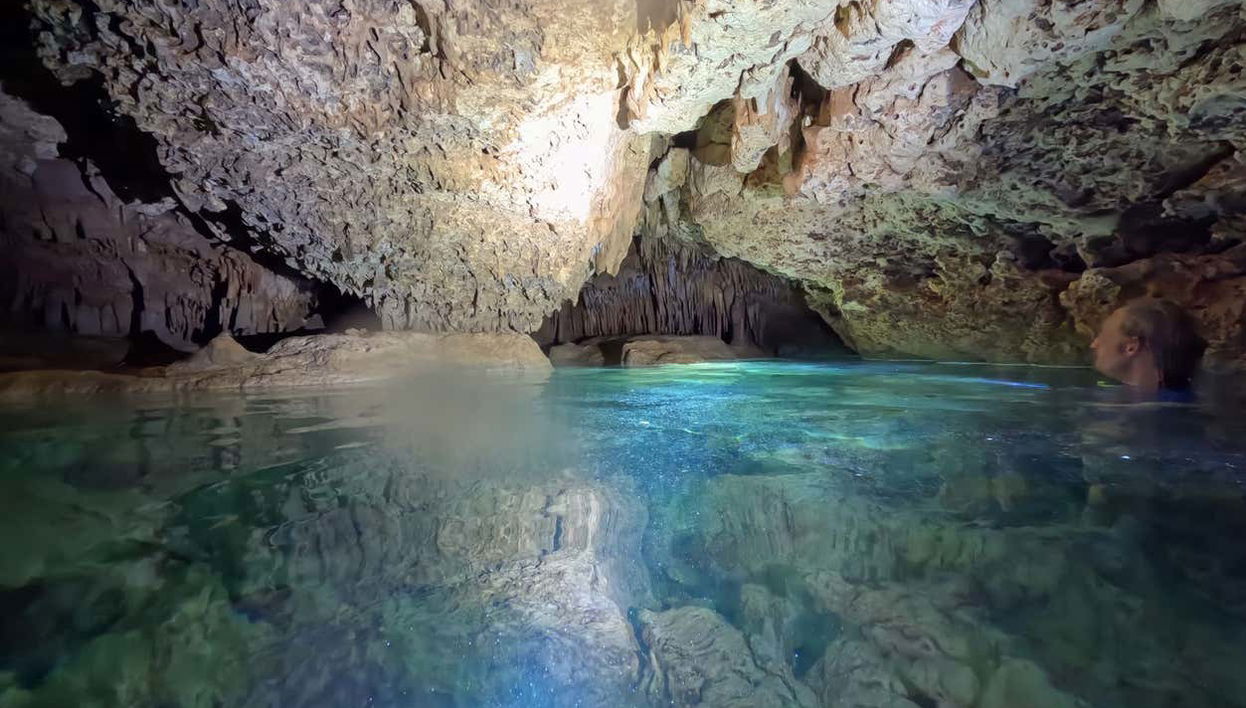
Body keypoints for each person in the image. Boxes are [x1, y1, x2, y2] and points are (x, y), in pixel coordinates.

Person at [1090, 297, 1206, 393]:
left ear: (1130, 347)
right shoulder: (1185, 403)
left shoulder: (1131, 413)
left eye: (1103, 336)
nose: (1094, 344)